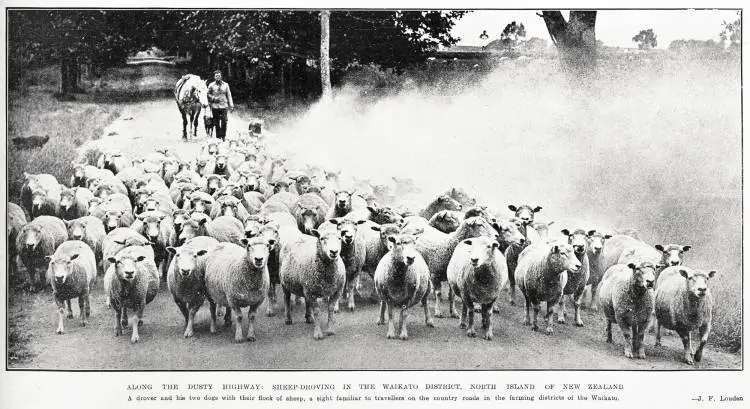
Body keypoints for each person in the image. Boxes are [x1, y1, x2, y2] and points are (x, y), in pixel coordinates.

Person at [207, 70, 234, 141]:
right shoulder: (211, 85)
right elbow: (207, 94)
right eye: (216, 76)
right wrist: (213, 98)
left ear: (221, 76)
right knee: (216, 123)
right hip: (215, 107)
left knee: (224, 121)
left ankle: (223, 136)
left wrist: (231, 105)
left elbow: (229, 95)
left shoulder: (226, 85)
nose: (217, 77)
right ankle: (218, 137)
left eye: (219, 76)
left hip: (224, 106)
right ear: (214, 77)